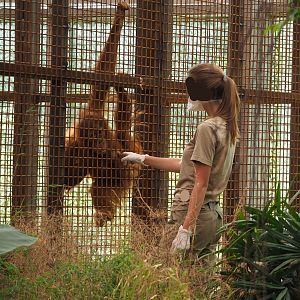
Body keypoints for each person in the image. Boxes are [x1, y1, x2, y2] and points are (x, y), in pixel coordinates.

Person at [121, 63, 240, 258]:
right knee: (199, 278)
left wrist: (186, 228)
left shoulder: (207, 128)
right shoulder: (226, 126)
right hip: (212, 216)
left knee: (168, 272)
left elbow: (200, 183)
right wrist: (144, 159)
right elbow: (189, 167)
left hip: (193, 214)